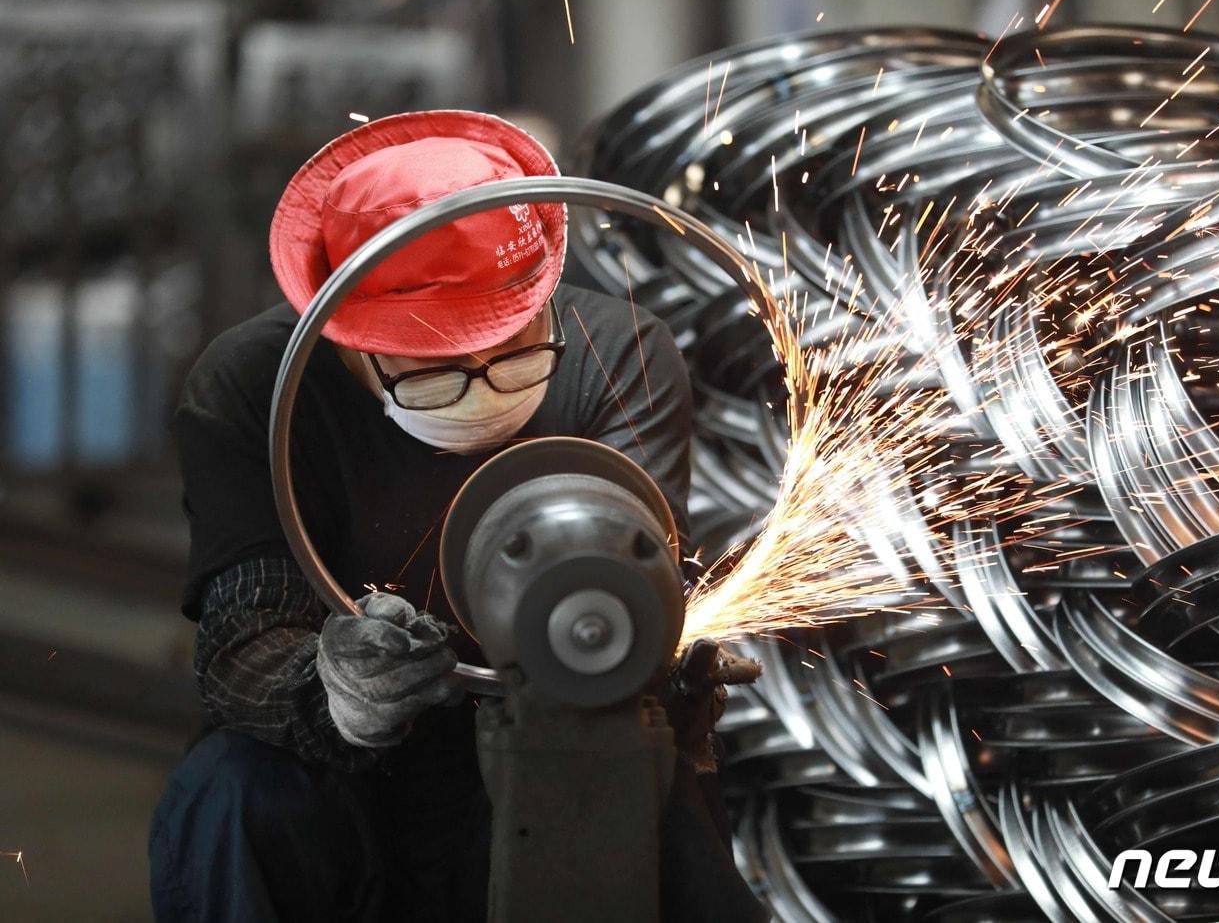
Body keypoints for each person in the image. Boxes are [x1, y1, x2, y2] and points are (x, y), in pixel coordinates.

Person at [147, 110, 766, 922]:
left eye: (511, 348)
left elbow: (642, 582)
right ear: (343, 338)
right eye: (435, 371)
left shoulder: (620, 355)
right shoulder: (253, 386)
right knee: (230, 791)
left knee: (635, 785)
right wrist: (332, 690)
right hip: (341, 800)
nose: (482, 386)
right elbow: (239, 645)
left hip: (556, 760)